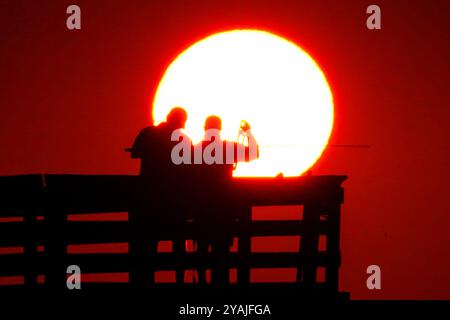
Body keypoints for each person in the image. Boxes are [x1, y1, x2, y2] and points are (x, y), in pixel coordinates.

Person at [129, 107, 192, 286]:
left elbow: (134, 153)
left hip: (149, 197)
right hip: (174, 198)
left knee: (149, 243)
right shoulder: (182, 140)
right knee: (179, 243)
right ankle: (179, 282)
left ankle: (147, 282)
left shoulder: (148, 133)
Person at [193, 115, 259, 285]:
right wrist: (248, 133)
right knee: (221, 250)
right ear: (220, 129)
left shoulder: (195, 149)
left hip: (202, 205)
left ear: (204, 128)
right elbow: (254, 153)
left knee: (201, 248)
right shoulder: (228, 147)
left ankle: (200, 282)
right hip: (224, 205)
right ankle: (221, 287)